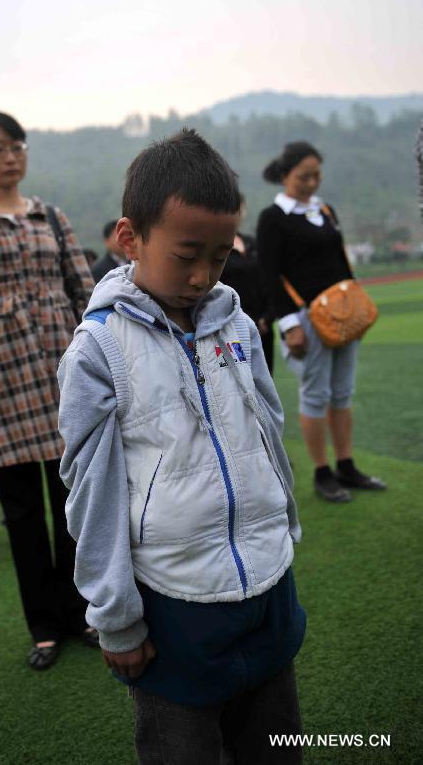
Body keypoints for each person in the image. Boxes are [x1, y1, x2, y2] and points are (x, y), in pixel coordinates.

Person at [58, 128, 306, 764]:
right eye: (188, 253)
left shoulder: (240, 324)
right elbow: (92, 490)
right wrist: (114, 615)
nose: (203, 275)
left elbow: (268, 433)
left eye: (220, 257)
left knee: (277, 747)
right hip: (173, 608)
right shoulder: (98, 349)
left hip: (267, 587)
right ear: (130, 238)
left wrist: (283, 528)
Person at [0, 111, 96, 669]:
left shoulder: (50, 216)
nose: (12, 156)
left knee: (75, 506)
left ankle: (82, 614)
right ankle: (45, 625)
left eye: (18, 146)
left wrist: (107, 363)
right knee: (24, 515)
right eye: (0, 148)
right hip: (2, 389)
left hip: (63, 379)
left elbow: (87, 295)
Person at [256, 141, 386, 503]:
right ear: (285, 175)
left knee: (342, 393)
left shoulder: (325, 210)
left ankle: (346, 464)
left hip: (344, 314)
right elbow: (269, 273)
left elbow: (341, 263)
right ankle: (322, 472)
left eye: (316, 175)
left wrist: (357, 303)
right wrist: (289, 323)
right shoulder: (273, 218)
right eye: (304, 176)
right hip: (308, 319)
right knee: (315, 395)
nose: (312, 183)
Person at [219, 194, 274, 374]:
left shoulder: (253, 243)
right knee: (236, 377)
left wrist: (268, 316)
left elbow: (269, 280)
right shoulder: (215, 245)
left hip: (262, 328)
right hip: (231, 330)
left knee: (263, 380)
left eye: (239, 207)